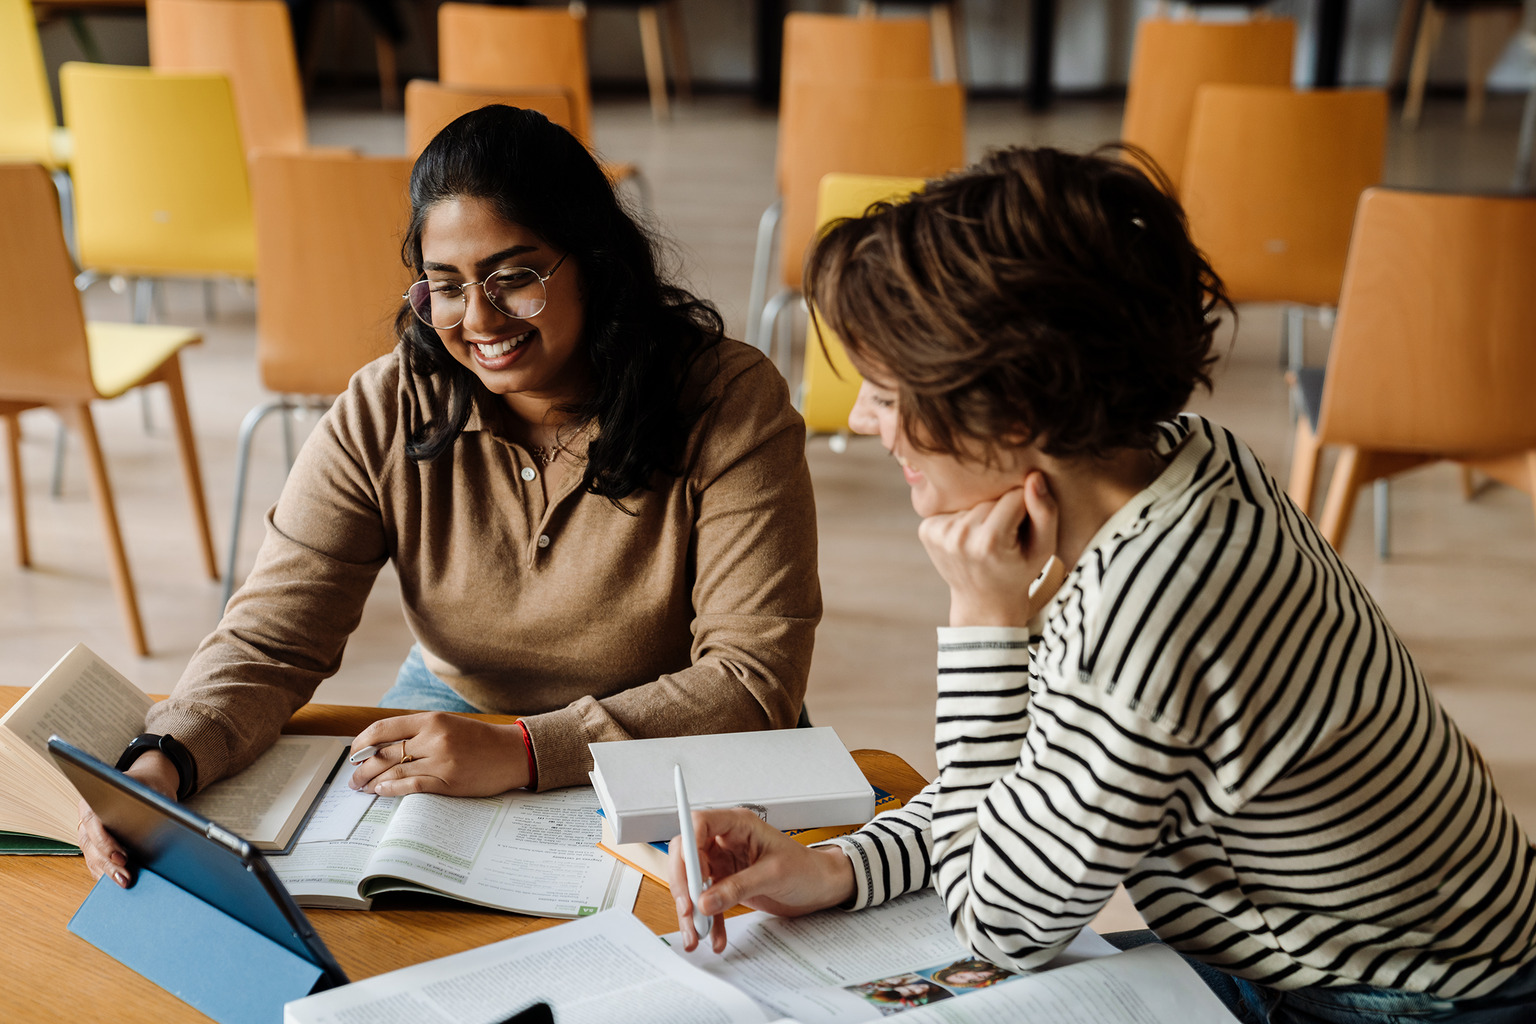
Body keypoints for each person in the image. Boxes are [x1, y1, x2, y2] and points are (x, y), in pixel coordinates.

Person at [669, 145, 1536, 1024]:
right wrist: (841, 867)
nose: (860, 419)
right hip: (1398, 949)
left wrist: (982, 619)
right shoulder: (1187, 457)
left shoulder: (1151, 609)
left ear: (1012, 415)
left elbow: (999, 919)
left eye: (888, 393)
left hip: (1394, 999)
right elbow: (1034, 786)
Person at [78, 105, 821, 884]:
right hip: (464, 703)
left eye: (514, 279)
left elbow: (750, 679)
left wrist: (529, 749)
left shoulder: (729, 402)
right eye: (445, 287)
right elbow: (273, 636)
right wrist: (167, 755)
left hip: (677, 734)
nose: (477, 319)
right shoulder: (386, 406)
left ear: (596, 260)